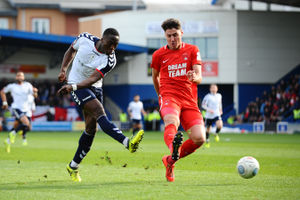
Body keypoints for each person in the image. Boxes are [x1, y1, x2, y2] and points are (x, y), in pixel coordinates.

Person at [57, 28, 144, 182]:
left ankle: (73, 166)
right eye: (110, 44)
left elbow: (92, 78)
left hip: (94, 87)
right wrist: (64, 70)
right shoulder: (84, 39)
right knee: (99, 112)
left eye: (115, 46)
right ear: (102, 39)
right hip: (75, 83)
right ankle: (128, 143)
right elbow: (71, 50)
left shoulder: (110, 60)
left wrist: (73, 87)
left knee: (91, 129)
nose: (112, 49)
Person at [151, 18, 205, 182]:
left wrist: (194, 77)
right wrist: (162, 95)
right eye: (169, 36)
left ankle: (170, 160)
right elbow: (155, 77)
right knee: (171, 121)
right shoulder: (158, 55)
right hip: (169, 97)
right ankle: (173, 148)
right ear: (165, 36)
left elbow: (199, 76)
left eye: (175, 35)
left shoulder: (192, 50)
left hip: (189, 100)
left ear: (181, 33)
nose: (173, 39)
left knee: (199, 138)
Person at [1, 71, 38, 153]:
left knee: (26, 127)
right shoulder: (12, 86)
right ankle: (13, 134)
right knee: (26, 123)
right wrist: (4, 102)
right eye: (18, 76)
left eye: (21, 76)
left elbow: (35, 96)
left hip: (26, 110)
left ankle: (7, 141)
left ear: (23, 77)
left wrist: (35, 92)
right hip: (17, 108)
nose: (20, 77)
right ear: (16, 78)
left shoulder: (28, 85)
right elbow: (2, 92)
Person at [201, 84, 223, 148]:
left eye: (215, 88)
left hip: (216, 113)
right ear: (210, 89)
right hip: (209, 115)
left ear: (217, 89)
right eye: (212, 88)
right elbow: (203, 105)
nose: (214, 89)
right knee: (208, 129)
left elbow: (220, 103)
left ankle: (216, 133)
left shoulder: (219, 95)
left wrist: (220, 109)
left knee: (220, 125)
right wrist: (209, 109)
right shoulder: (207, 96)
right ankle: (207, 141)